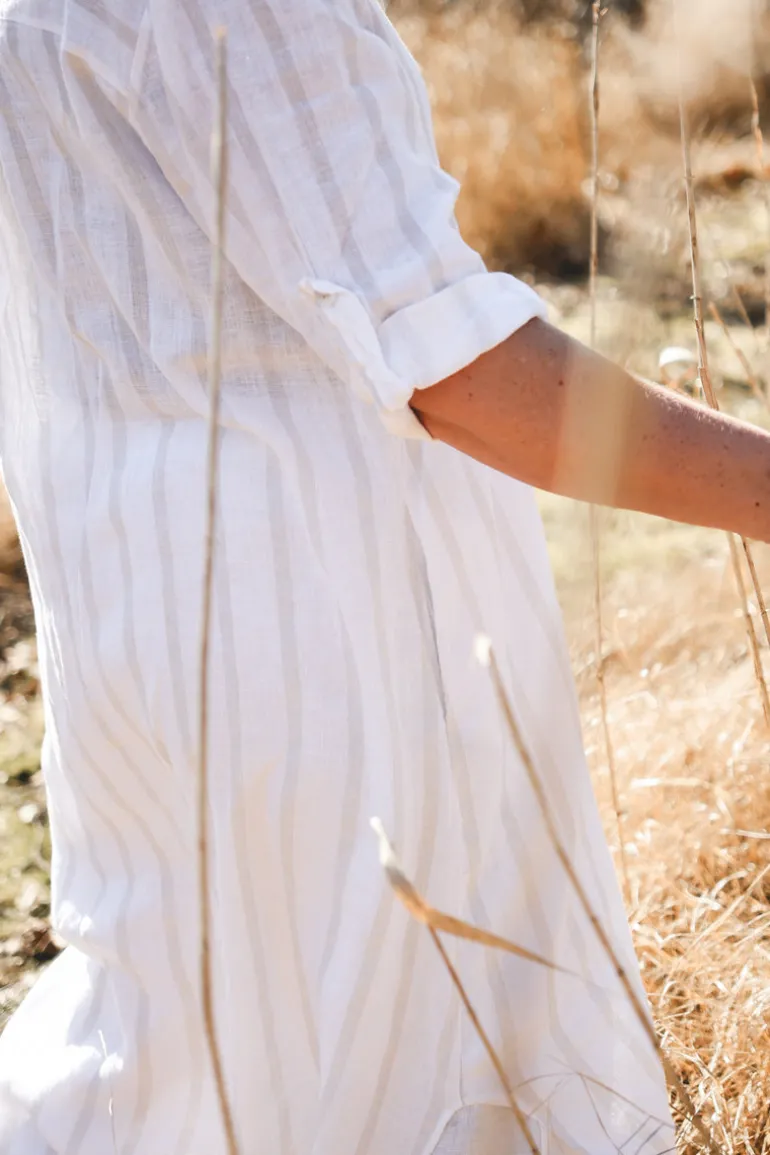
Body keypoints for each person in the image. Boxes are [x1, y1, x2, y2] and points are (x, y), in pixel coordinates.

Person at [0, 2, 767, 1153]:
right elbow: (453, 367)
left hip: (139, 599)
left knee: (199, 1044)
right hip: (322, 633)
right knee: (366, 1068)